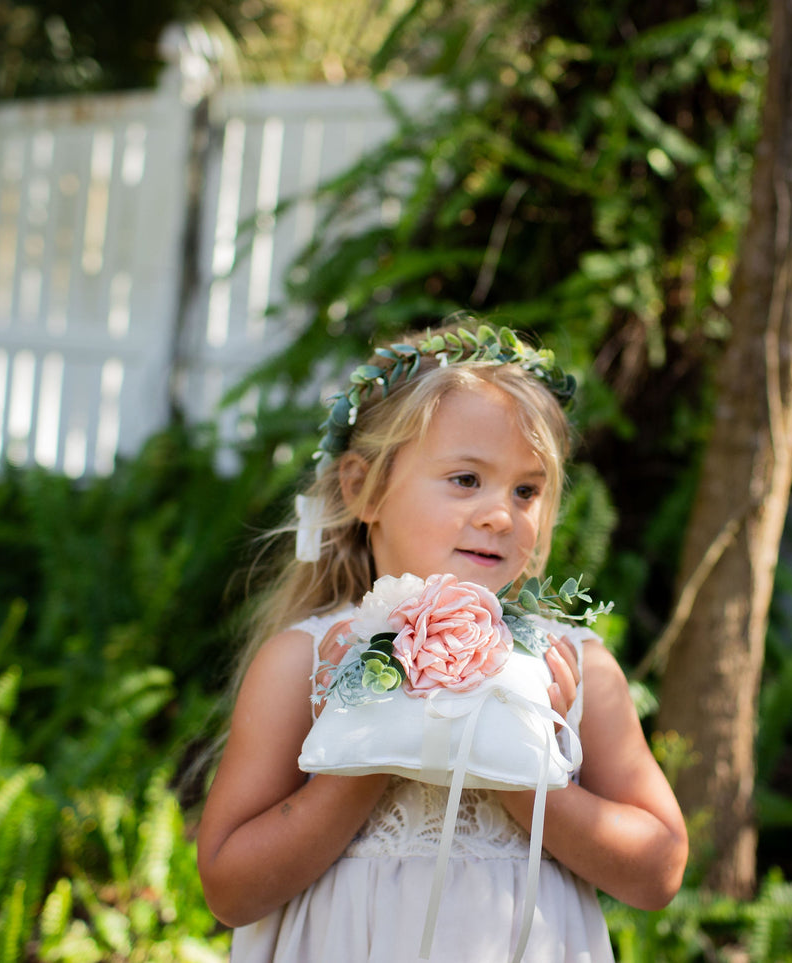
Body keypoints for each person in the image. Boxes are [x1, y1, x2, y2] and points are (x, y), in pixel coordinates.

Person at [197, 320, 688, 962]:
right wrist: (371, 735)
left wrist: (511, 762)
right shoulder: (307, 661)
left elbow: (659, 871)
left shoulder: (571, 668)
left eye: (527, 489)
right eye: (465, 479)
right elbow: (230, 889)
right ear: (361, 488)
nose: (500, 514)